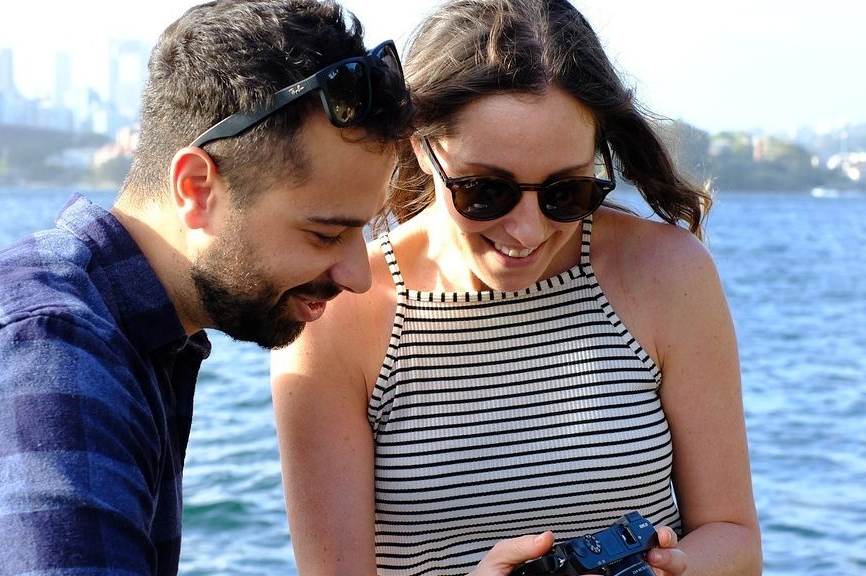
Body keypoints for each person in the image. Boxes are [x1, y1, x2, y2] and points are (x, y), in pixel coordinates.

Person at [0, 1, 424, 573]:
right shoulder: (40, 361)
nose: (358, 276)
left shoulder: (128, 337)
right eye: (325, 234)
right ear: (196, 189)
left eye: (365, 231)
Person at [270, 0, 763, 575]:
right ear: (420, 145)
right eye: (486, 191)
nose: (527, 231)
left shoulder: (668, 273)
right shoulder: (337, 311)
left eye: (566, 193)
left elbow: (735, 541)